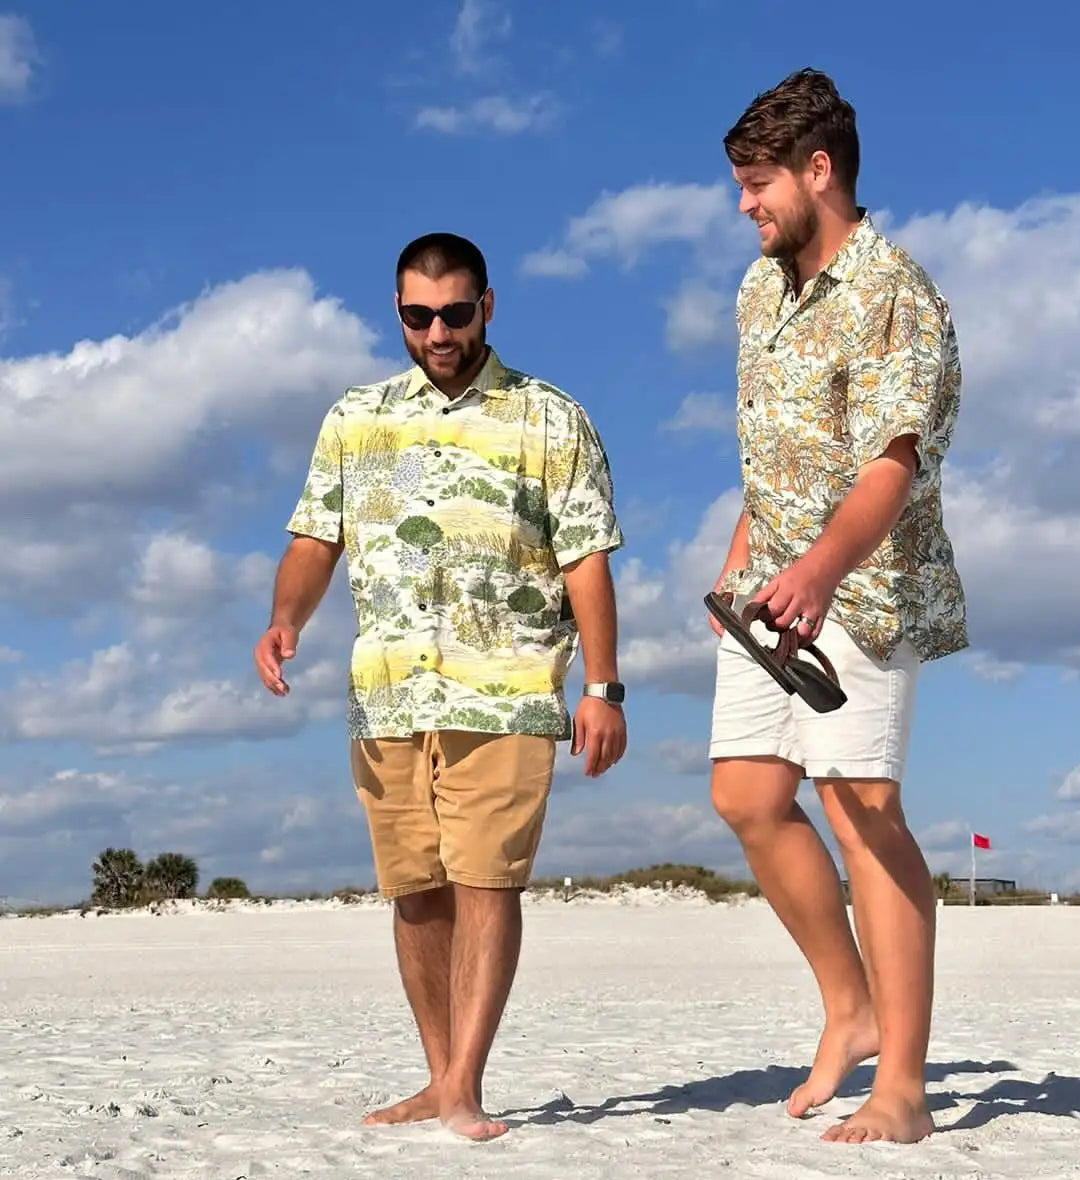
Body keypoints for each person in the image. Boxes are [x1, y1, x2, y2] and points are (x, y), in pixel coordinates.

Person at [252, 232, 627, 1141]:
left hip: (507, 686)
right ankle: (437, 1071)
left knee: (486, 882)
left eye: (456, 314)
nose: (439, 332)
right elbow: (316, 537)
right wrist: (285, 620)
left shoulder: (550, 416)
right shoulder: (355, 417)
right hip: (387, 692)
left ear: (487, 308)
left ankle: (466, 1080)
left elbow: (586, 560)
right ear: (398, 315)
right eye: (419, 317)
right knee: (416, 890)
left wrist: (604, 687)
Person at [707, 69, 967, 1145]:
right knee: (747, 798)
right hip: (769, 587)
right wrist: (741, 565)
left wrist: (815, 569)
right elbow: (770, 453)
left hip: (862, 590)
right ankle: (848, 1006)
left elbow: (890, 467)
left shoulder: (897, 291)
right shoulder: (756, 288)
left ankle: (899, 1082)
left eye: (756, 183)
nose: (743, 206)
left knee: (864, 813)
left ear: (820, 172)